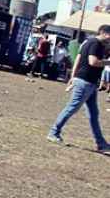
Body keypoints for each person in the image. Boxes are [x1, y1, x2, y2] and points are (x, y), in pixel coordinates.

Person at [47, 24, 110, 152]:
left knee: (93, 114)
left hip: (88, 82)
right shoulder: (96, 44)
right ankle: (53, 132)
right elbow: (93, 61)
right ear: (104, 33)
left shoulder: (88, 42)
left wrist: (73, 76)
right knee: (72, 108)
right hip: (86, 82)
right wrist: (108, 62)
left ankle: (101, 144)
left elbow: (78, 58)